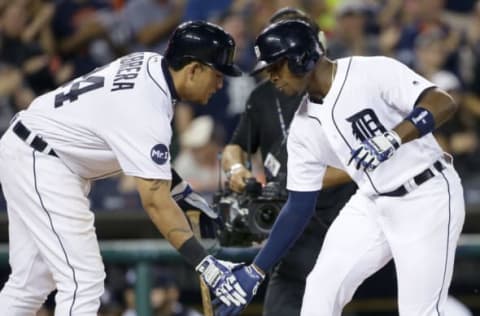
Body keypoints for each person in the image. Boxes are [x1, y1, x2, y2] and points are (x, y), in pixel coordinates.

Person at [215, 19, 465, 316]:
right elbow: (298, 207)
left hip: (426, 194)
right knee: (321, 289)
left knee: (419, 311)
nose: (272, 78)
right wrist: (257, 270)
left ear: (301, 58)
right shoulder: (303, 129)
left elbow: (442, 102)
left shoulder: (370, 71)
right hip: (371, 201)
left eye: (275, 68)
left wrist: (394, 138)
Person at [0, 21, 247, 314]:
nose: (220, 85)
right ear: (193, 69)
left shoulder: (151, 64)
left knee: (31, 282)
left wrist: (184, 193)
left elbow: (144, 155)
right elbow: (154, 201)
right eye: (216, 75)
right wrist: (206, 265)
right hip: (44, 160)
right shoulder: (146, 107)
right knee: (83, 280)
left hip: (30, 146)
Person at [221, 7, 356, 316]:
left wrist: (298, 180)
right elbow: (234, 148)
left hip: (345, 222)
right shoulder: (264, 95)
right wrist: (237, 170)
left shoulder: (337, 90)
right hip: (293, 229)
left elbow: (358, 163)